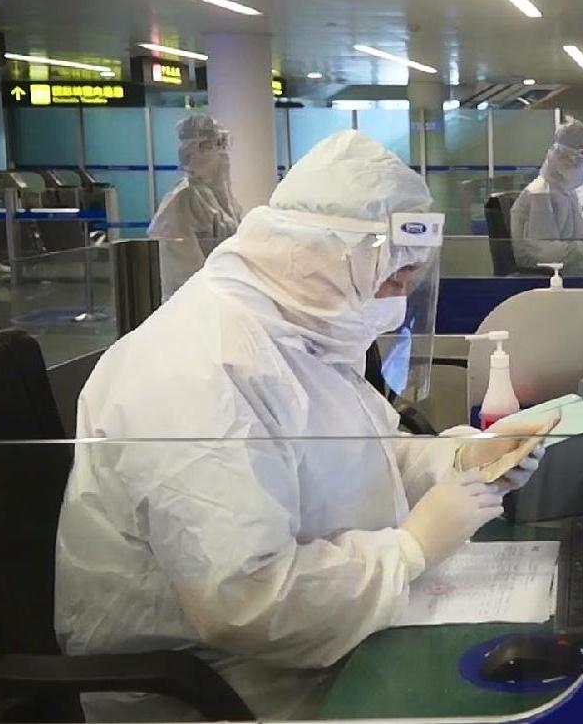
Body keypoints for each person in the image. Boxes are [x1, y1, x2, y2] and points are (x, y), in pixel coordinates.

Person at [56, 131, 554, 721]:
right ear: (322, 252)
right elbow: (246, 603)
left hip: (317, 645)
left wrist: (460, 461)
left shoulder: (301, 329)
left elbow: (363, 456)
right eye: (393, 272)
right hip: (221, 688)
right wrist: (409, 550)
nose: (399, 294)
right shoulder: (201, 370)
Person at [148, 115, 242, 299]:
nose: (223, 154)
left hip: (223, 296)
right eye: (214, 145)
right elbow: (185, 272)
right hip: (196, 302)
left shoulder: (220, 198)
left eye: (223, 144)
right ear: (191, 151)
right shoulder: (183, 198)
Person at [511, 120, 583, 275]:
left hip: (567, 276)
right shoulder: (540, 194)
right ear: (563, 158)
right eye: (582, 164)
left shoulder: (567, 192)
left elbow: (580, 236)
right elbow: (542, 252)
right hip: (543, 280)